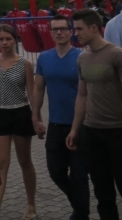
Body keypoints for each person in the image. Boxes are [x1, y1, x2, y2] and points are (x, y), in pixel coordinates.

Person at [66, 9, 122, 220]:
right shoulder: (83, 58)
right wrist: (75, 129)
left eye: (79, 29)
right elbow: (82, 95)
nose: (75, 33)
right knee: (103, 193)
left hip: (119, 132)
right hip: (93, 133)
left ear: (94, 28)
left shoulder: (118, 56)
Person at [0, 24, 37, 220]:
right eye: (1, 39)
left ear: (15, 40)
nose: (4, 43)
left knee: (24, 161)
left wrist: (36, 117)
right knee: (0, 163)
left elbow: (31, 92)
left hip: (20, 113)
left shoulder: (24, 63)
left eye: (8, 39)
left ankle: (31, 206)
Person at [33, 14, 89, 220]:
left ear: (70, 31)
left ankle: (81, 214)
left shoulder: (82, 57)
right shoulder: (44, 58)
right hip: (56, 124)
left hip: (80, 125)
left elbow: (87, 92)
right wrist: (36, 115)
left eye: (63, 29)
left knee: (79, 175)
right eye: (55, 29)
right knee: (56, 172)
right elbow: (39, 88)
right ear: (50, 33)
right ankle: (79, 204)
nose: (59, 32)